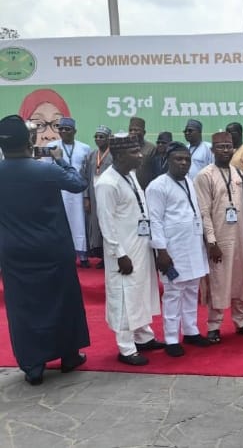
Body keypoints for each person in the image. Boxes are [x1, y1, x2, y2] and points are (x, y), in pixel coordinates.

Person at [0, 114, 89, 385]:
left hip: (14, 252)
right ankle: (68, 356)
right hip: (52, 247)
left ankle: (33, 365)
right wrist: (61, 159)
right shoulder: (46, 170)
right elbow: (78, 184)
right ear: (29, 141)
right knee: (64, 301)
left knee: (23, 307)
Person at [95, 133, 164, 366]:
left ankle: (143, 337)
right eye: (134, 152)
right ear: (120, 155)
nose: (140, 155)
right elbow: (106, 223)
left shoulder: (130, 175)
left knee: (140, 294)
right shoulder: (106, 183)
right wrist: (119, 254)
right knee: (125, 297)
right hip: (123, 252)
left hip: (140, 246)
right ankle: (126, 348)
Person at [146, 142, 212, 357]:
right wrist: (161, 252)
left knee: (192, 290)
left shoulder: (189, 182)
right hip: (172, 250)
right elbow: (154, 221)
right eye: (178, 159)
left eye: (186, 159)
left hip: (192, 246)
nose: (183, 163)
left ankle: (191, 331)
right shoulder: (158, 186)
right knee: (174, 293)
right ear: (168, 160)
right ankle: (171, 338)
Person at [194, 132, 243, 343]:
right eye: (220, 147)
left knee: (241, 280)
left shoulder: (238, 173)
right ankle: (214, 326)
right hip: (219, 241)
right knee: (218, 282)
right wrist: (211, 241)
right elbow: (203, 212)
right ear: (212, 150)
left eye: (228, 146)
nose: (225, 150)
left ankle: (241, 322)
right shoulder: (205, 175)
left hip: (239, 239)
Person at [46, 117, 92, 267]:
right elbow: (46, 171)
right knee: (60, 223)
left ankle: (83, 256)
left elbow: (86, 173)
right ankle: (62, 255)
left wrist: (87, 197)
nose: (63, 131)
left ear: (75, 131)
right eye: (61, 128)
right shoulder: (51, 146)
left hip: (78, 192)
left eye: (67, 129)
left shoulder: (84, 148)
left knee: (79, 222)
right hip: (59, 192)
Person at [82, 125, 114, 269]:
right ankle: (100, 255)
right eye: (96, 136)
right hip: (94, 196)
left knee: (108, 224)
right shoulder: (91, 155)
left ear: (109, 139)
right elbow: (84, 177)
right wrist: (86, 197)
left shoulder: (114, 155)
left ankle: (110, 256)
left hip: (109, 195)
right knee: (95, 225)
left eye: (101, 137)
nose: (98, 139)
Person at [128, 117, 157, 190]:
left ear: (144, 132)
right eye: (130, 130)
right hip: (128, 189)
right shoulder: (125, 147)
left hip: (146, 189)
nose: (133, 132)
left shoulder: (151, 148)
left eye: (136, 130)